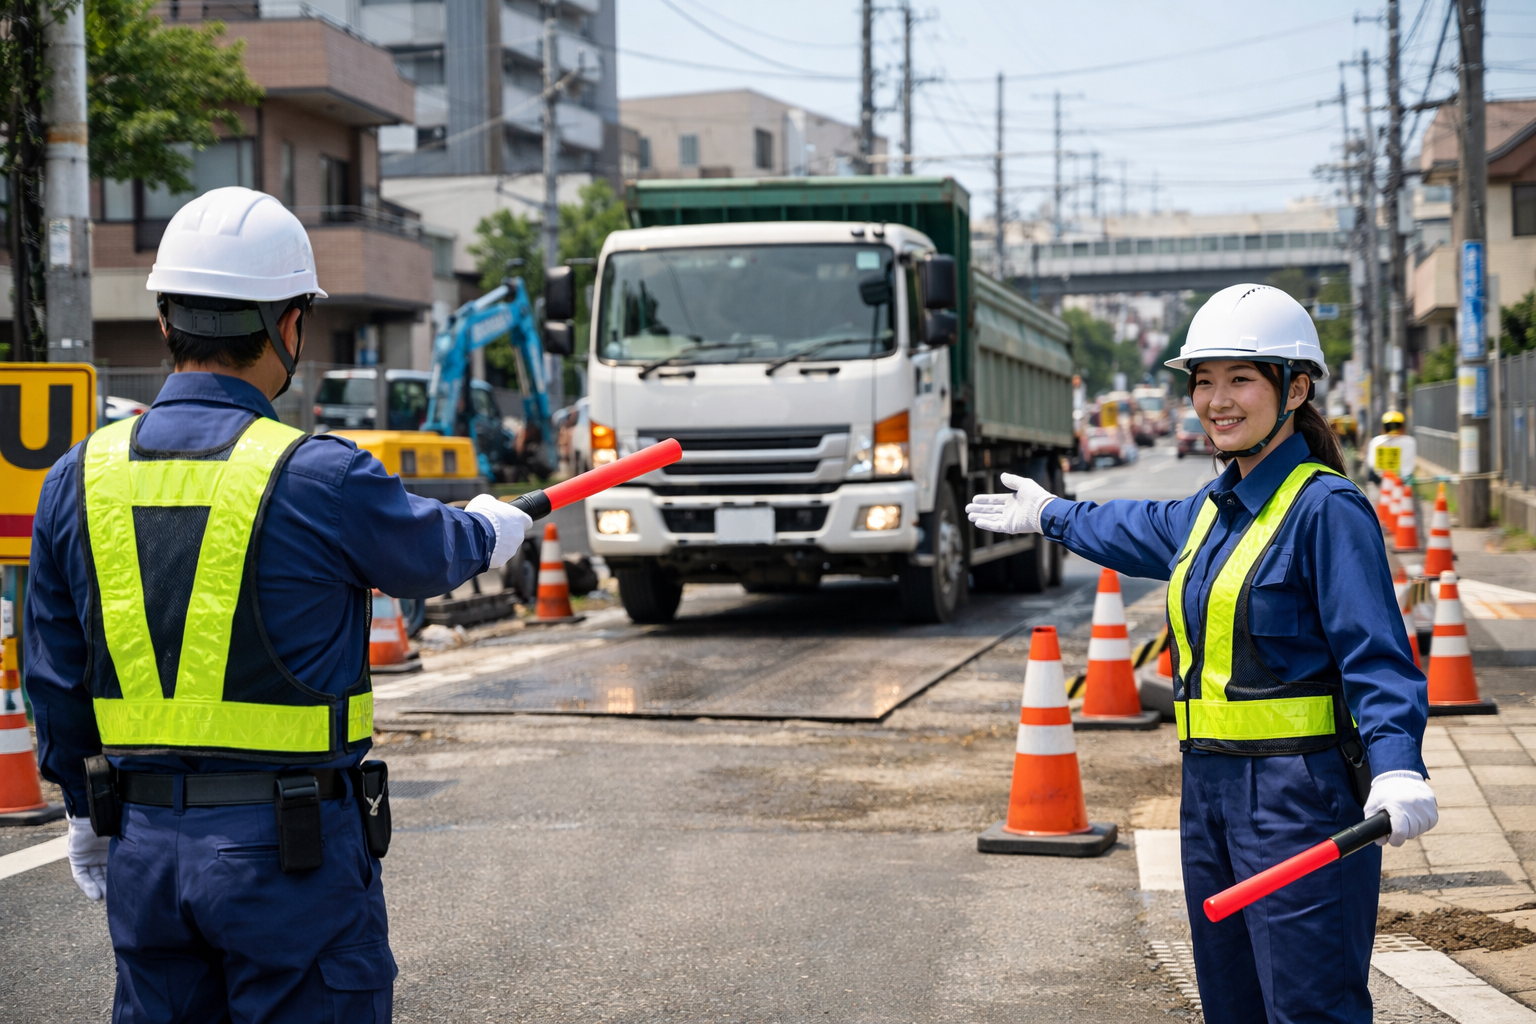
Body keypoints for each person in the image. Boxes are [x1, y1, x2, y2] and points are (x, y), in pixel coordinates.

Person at [26, 187, 531, 1022]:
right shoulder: (320, 475)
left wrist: (83, 810)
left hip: (145, 854)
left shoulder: (77, 477)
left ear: (164, 319)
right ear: (288, 324)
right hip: (290, 862)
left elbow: (54, 673)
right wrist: (489, 526)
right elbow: (432, 551)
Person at [967, 284, 1436, 1024]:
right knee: (1233, 1006)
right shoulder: (1211, 510)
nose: (1218, 400)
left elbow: (1376, 655)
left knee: (1309, 1009)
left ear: (1296, 389)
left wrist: (1398, 764)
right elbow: (1132, 526)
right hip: (1210, 797)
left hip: (1299, 801)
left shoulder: (1326, 508)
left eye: (1240, 379)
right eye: (1204, 381)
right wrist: (1051, 514)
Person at [1365, 409, 1416, 485]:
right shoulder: (1410, 441)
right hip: (1403, 482)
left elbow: (1371, 463)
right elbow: (1410, 466)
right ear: (1402, 427)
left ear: (1384, 428)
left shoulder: (1376, 441)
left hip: (1379, 482)